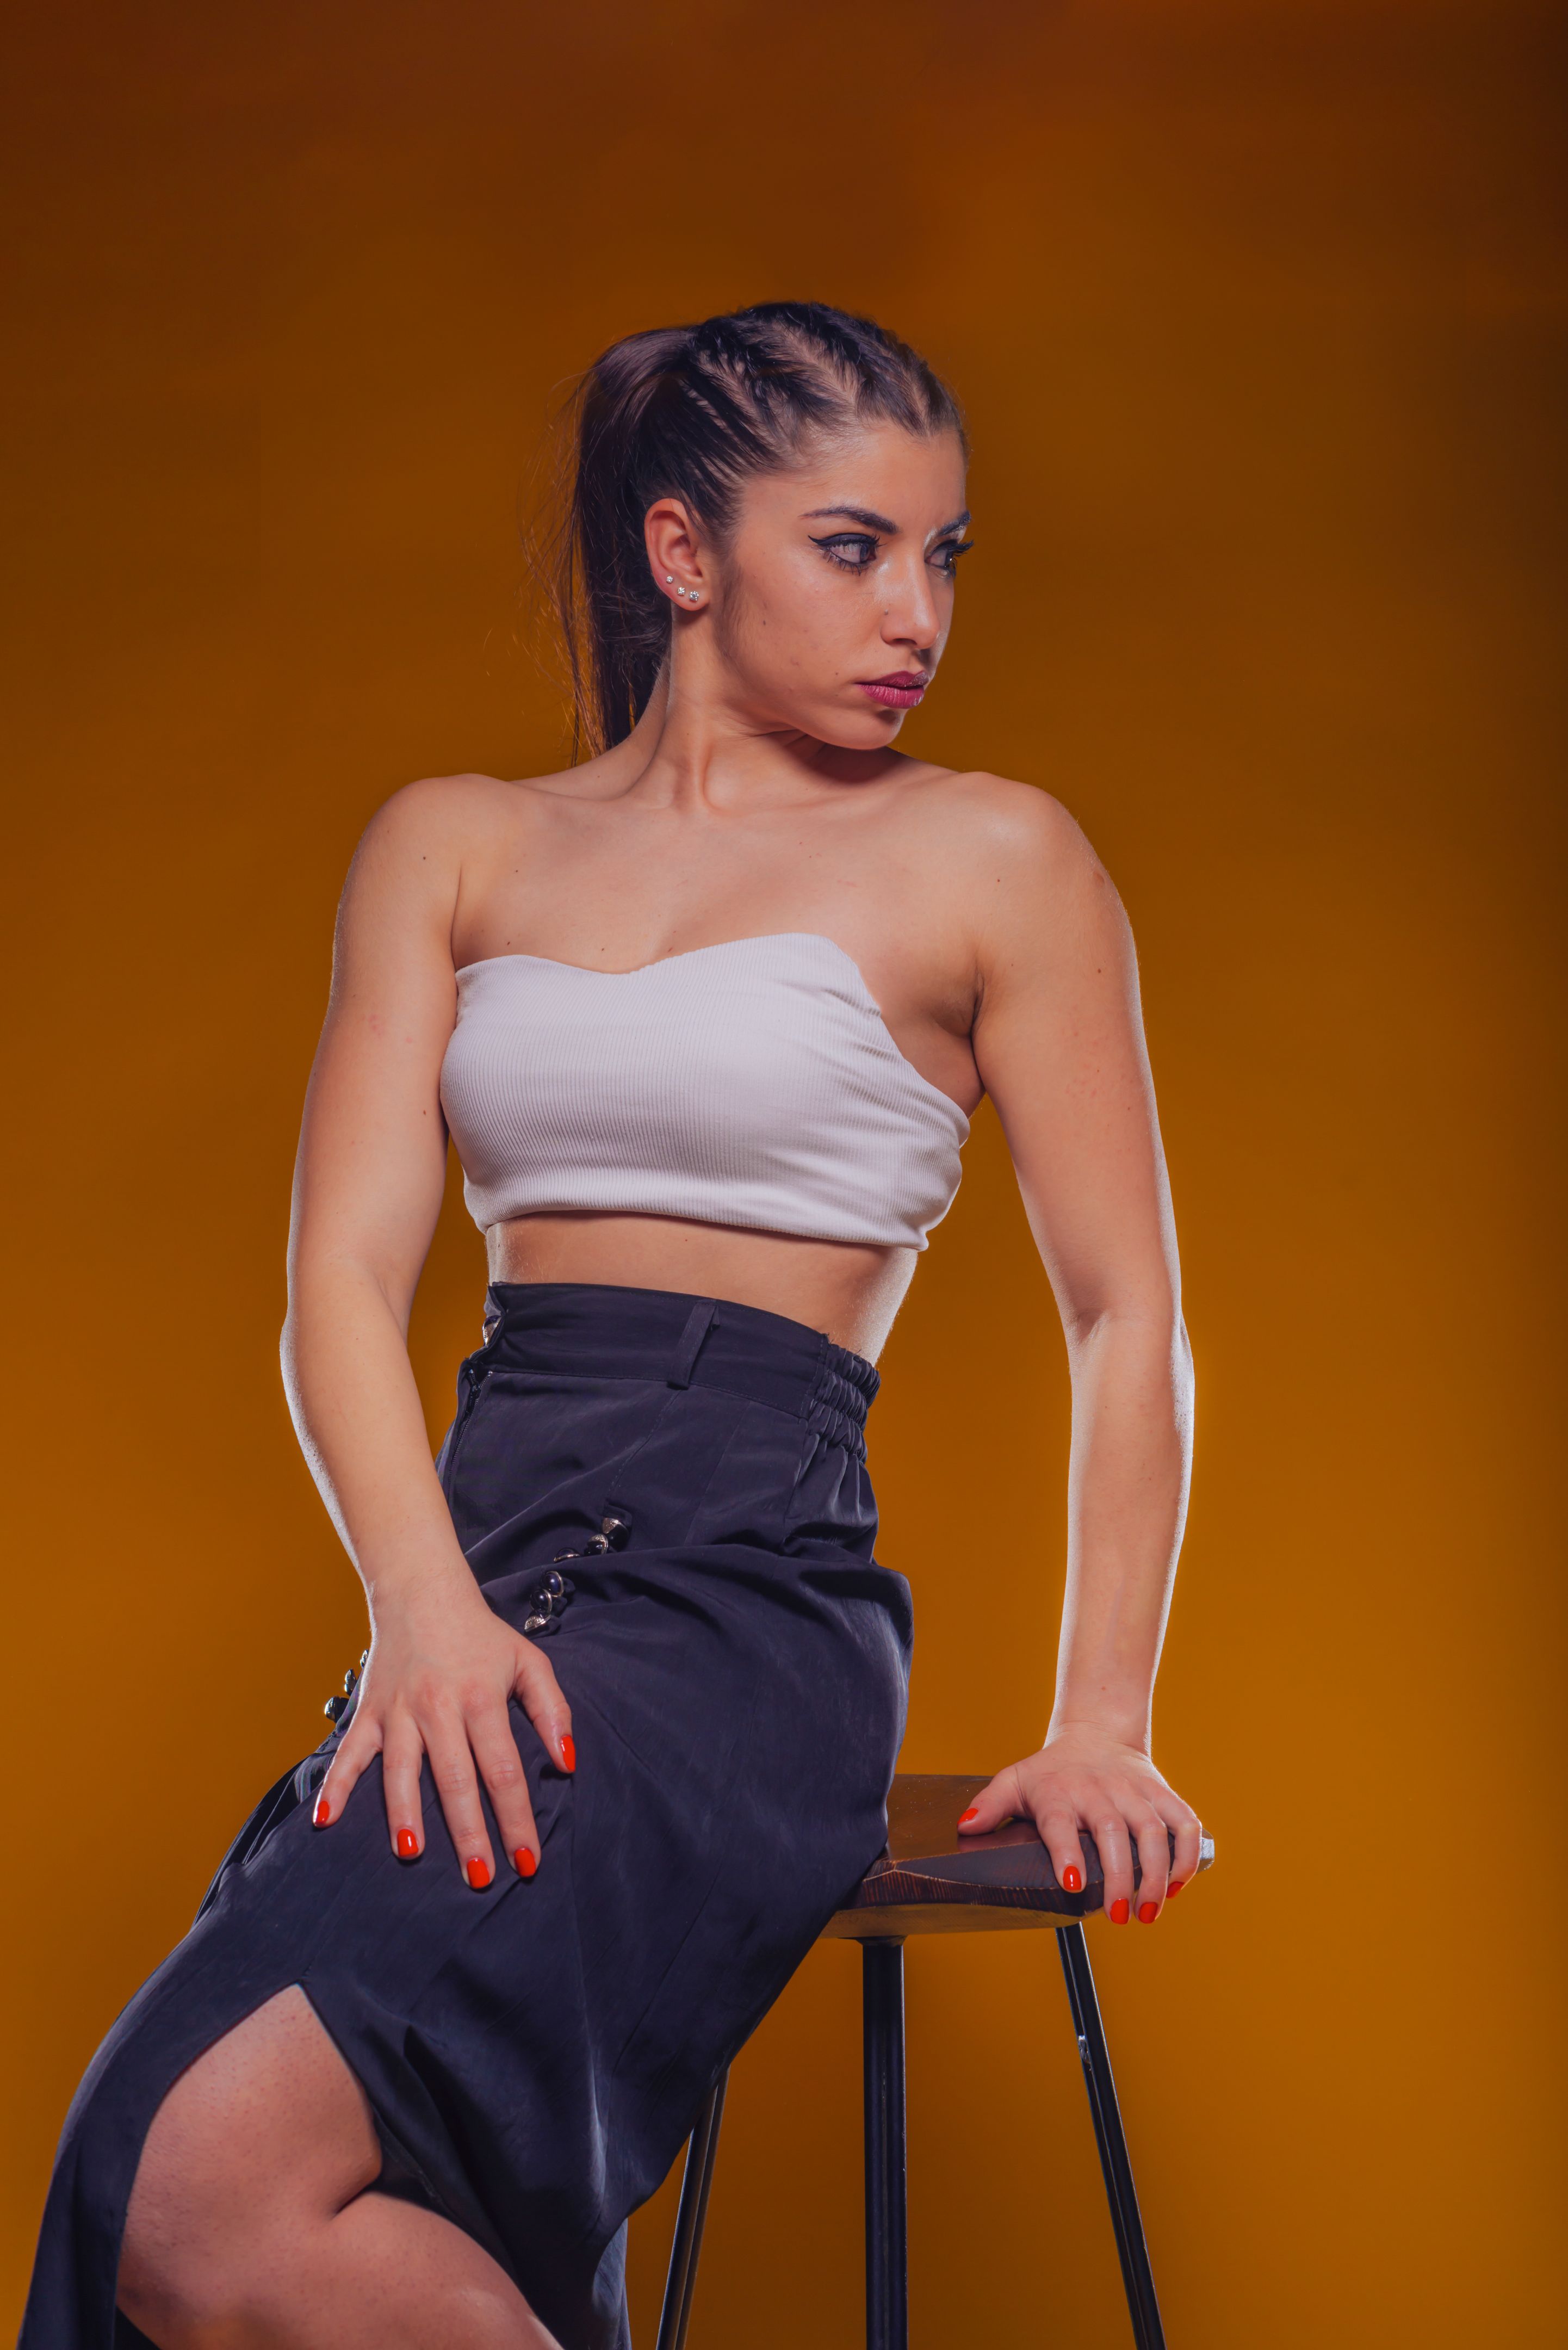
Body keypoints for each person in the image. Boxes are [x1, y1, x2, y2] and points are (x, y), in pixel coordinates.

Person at [20, 301, 1201, 2350]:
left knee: (208, 2197)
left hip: (738, 1608)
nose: (915, 608)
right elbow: (339, 1285)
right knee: (162, 2189)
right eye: (854, 547)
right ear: (682, 554)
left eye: (943, 556)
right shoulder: (453, 840)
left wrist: (1104, 1716)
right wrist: (419, 1608)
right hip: (478, 1579)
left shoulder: (993, 852)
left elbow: (1127, 1319)